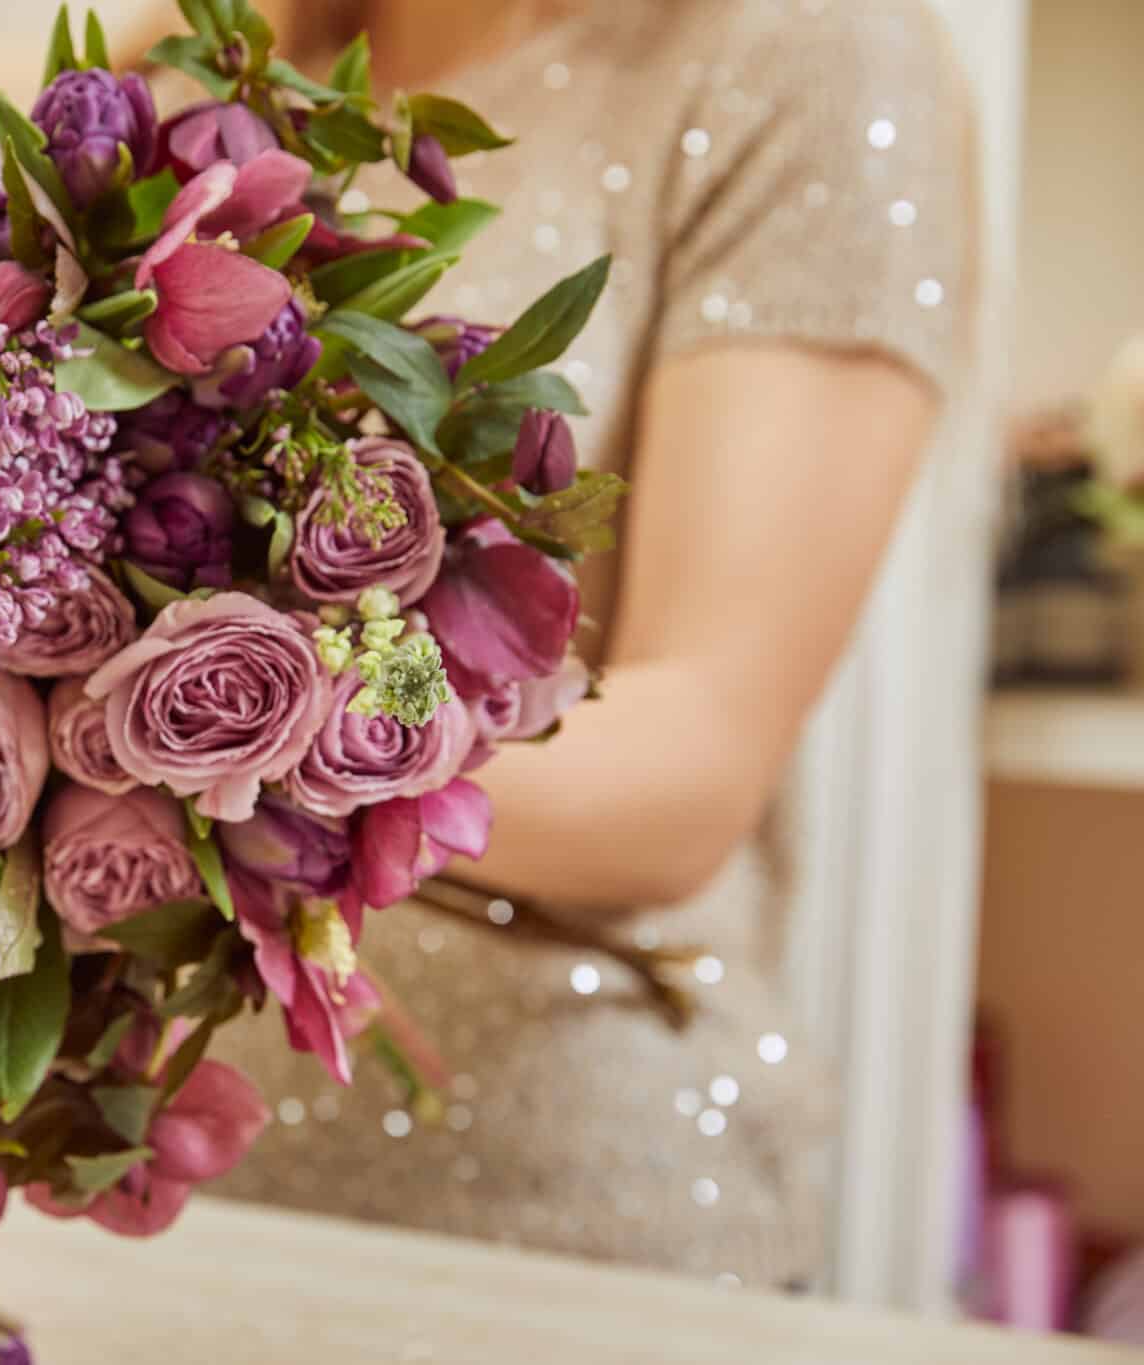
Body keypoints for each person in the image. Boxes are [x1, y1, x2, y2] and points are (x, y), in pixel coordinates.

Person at [183, 0, 978, 1286]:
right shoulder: (209, 53)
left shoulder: (801, 52)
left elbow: (687, 763)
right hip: (152, 1167)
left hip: (543, 1206)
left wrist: (198, 738)